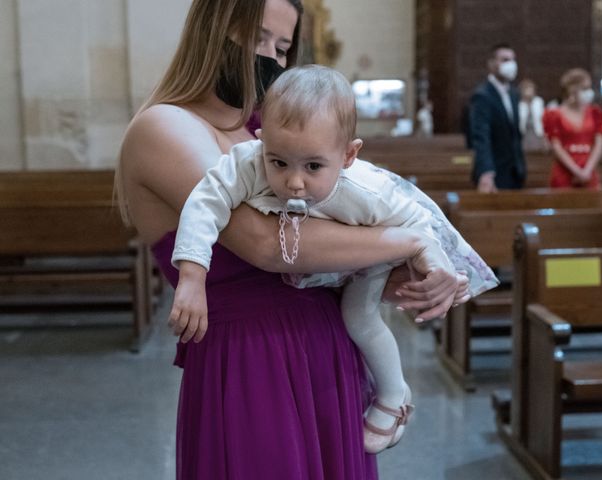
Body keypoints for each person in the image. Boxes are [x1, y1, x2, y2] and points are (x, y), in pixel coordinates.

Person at [116, 1, 462, 478]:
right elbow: (269, 245)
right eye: (256, 38)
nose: (269, 58)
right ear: (211, 29)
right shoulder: (165, 126)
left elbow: (344, 227)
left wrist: (421, 274)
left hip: (328, 348)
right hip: (251, 359)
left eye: (281, 48)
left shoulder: (270, 130)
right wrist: (410, 240)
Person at [171, 65, 498, 454]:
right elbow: (205, 202)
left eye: (313, 167)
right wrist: (192, 275)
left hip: (366, 251)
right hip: (314, 261)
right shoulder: (250, 162)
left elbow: (419, 224)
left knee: (359, 318)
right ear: (261, 141)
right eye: (279, 162)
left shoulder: (368, 191)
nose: (294, 181)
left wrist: (437, 266)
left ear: (348, 155)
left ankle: (394, 395)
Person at [469, 43, 525, 192]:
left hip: (515, 172)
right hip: (495, 172)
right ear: (492, 64)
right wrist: (486, 172)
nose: (511, 64)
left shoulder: (514, 94)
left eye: (513, 60)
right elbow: (481, 137)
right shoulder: (482, 95)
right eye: (505, 60)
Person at [542, 68, 602, 189]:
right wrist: (577, 172)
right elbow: (556, 147)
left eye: (589, 88)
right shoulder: (554, 114)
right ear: (572, 90)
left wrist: (586, 171)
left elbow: (599, 143)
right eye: (584, 88)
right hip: (564, 172)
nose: (589, 92)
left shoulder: (595, 113)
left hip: (589, 169)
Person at [518, 78, 546, 152]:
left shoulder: (538, 102)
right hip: (524, 134)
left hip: (537, 133)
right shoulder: (519, 104)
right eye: (527, 89)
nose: (529, 91)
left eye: (531, 89)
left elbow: (542, 118)